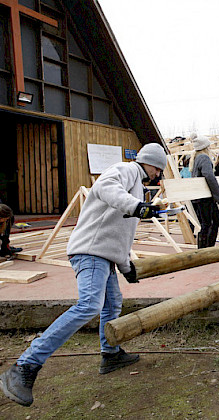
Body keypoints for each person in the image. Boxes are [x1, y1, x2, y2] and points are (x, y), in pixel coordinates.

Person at [0, 143, 168, 407]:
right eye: (158, 169)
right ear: (148, 162)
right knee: (90, 304)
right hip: (90, 252)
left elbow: (119, 236)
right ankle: (23, 366)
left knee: (112, 303)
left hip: (104, 255)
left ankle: (110, 354)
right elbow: (104, 188)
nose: (158, 175)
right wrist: (137, 206)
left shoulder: (137, 186)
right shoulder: (125, 169)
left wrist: (127, 268)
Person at [189, 133, 219, 248]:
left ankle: (206, 247)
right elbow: (209, 175)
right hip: (205, 197)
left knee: (212, 221)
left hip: (200, 197)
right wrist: (217, 194)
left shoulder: (196, 158)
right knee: (209, 223)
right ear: (205, 147)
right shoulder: (204, 158)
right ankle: (205, 249)